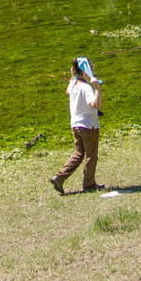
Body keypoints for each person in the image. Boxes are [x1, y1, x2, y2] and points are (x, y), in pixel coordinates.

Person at [50, 58, 104, 195]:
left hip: (75, 125)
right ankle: (89, 184)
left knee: (78, 154)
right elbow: (95, 105)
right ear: (86, 70)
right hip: (88, 126)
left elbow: (68, 91)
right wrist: (97, 87)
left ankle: (59, 177)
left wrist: (73, 76)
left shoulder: (73, 83)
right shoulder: (87, 88)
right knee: (91, 156)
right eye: (90, 67)